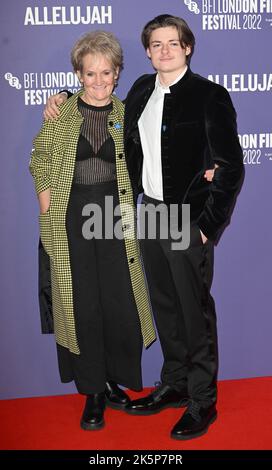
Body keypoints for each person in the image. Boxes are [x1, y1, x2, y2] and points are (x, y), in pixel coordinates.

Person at [43, 15, 244, 440]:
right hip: (149, 214)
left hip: (186, 217)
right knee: (165, 306)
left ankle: (202, 401)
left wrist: (207, 225)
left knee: (195, 313)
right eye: (156, 44)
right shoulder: (137, 92)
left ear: (187, 47)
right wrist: (61, 94)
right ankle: (174, 384)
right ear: (148, 51)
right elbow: (94, 104)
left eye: (173, 42)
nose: (165, 50)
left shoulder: (211, 96)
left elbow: (230, 168)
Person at [29, 30, 156, 431]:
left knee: (119, 303)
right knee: (82, 305)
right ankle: (93, 392)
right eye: (90, 74)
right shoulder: (61, 113)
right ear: (78, 75)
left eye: (106, 73)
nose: (99, 81)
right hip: (71, 221)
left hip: (116, 221)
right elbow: (40, 162)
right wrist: (48, 213)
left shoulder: (126, 113)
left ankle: (114, 379)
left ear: (117, 73)